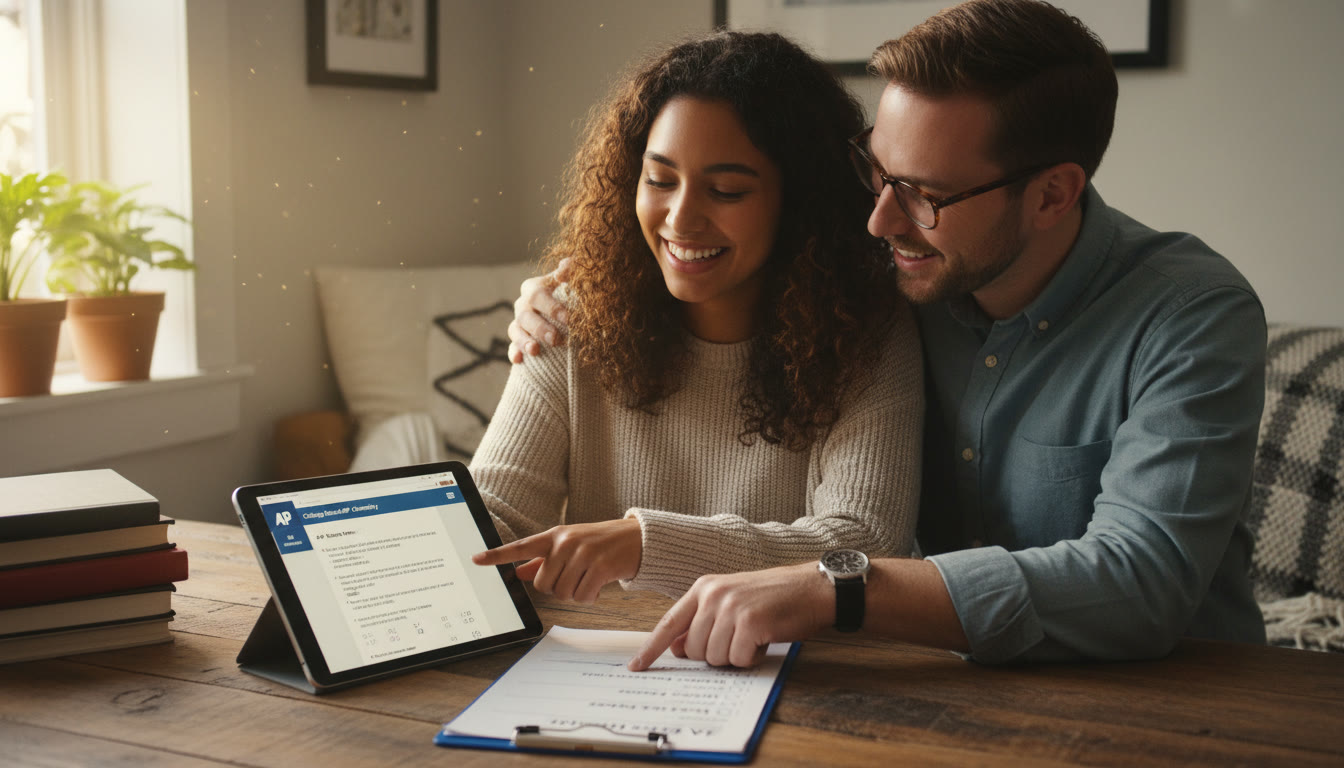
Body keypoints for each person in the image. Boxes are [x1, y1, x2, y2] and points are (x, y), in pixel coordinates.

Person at [511, 0, 1268, 666]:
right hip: (936, 683)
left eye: (925, 194)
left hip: (1175, 693)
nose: (877, 222)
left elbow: (1142, 583)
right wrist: (570, 293)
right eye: (876, 173)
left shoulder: (1190, 316)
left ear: (1052, 195)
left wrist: (837, 587)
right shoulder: (893, 271)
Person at [469, 31, 924, 605]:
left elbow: (865, 545)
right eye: (659, 180)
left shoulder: (865, 333)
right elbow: (499, 517)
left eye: (726, 190)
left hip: (790, 658)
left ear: (800, 202)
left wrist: (643, 545)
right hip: (599, 651)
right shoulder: (570, 318)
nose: (680, 219)